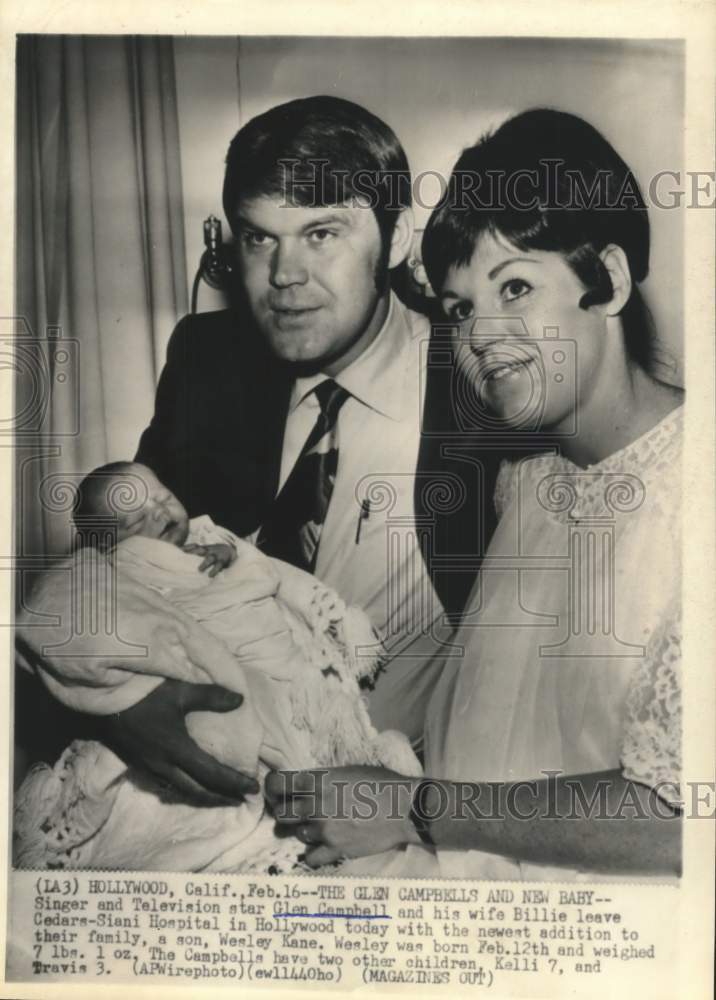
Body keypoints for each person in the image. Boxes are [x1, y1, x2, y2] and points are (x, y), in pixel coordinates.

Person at [16, 96, 501, 801]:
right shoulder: (208, 363)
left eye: (322, 234)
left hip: (400, 798)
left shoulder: (483, 377)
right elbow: (114, 569)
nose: (283, 276)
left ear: (395, 241)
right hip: (216, 792)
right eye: (258, 238)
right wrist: (118, 707)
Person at [266, 108, 684, 879]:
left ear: (611, 282)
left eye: (515, 287)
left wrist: (410, 809)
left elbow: (678, 819)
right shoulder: (526, 482)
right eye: (460, 311)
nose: (482, 338)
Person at [13, 461, 420, 872]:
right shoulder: (118, 567)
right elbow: (106, 612)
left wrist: (231, 553)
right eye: (137, 520)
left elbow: (262, 573)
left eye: (164, 497)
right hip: (211, 666)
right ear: (108, 544)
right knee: (242, 724)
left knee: (305, 723)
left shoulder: (211, 538)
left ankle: (320, 784)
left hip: (273, 658)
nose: (160, 513)